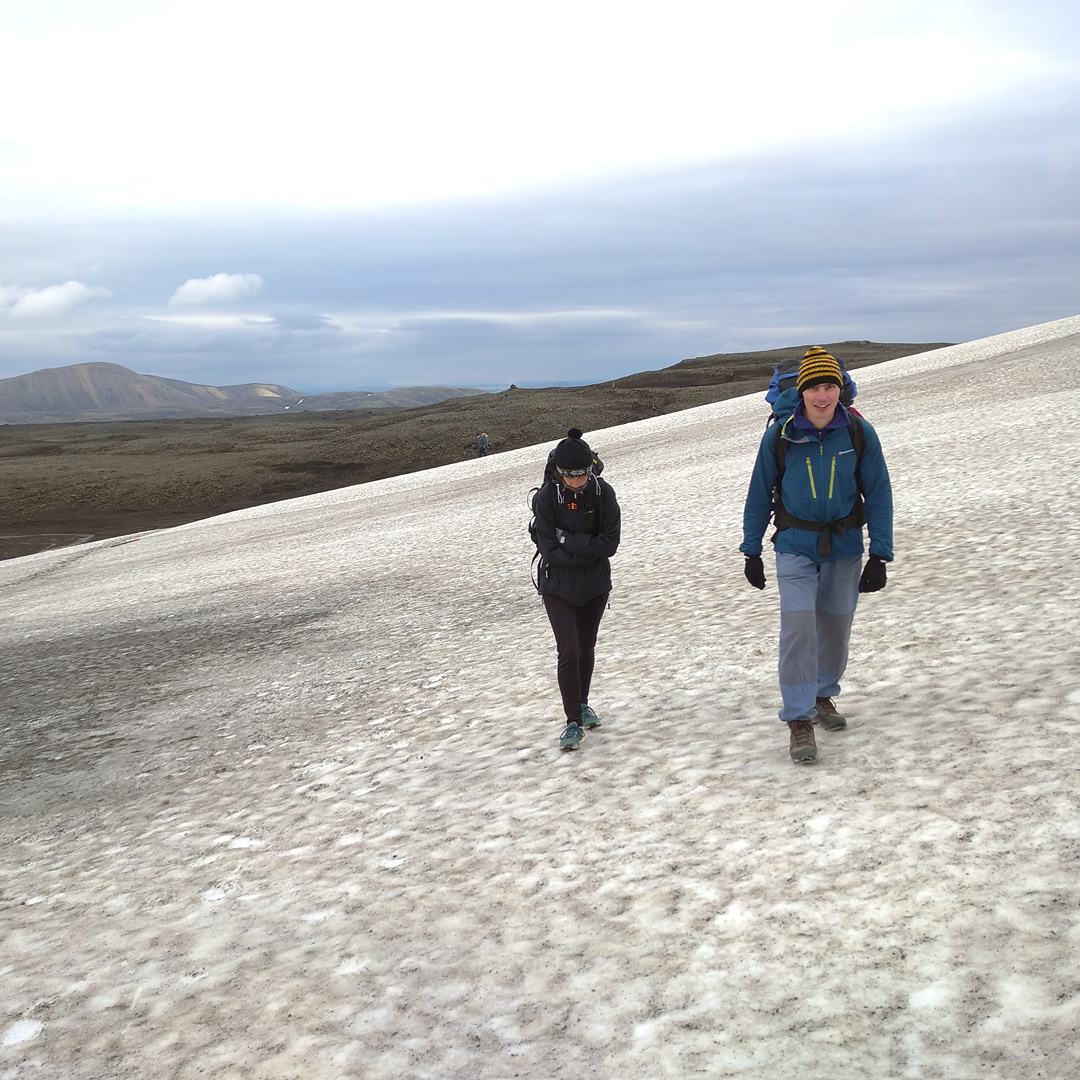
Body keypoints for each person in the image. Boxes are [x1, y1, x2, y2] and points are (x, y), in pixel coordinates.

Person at [740, 346, 893, 763]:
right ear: (803, 392)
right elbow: (758, 494)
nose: (822, 396)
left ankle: (824, 694)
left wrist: (880, 553)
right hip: (794, 545)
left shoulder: (860, 433)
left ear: (840, 390)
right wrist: (751, 549)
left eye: (829, 386)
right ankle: (799, 718)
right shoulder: (780, 435)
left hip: (844, 546)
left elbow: (878, 492)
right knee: (799, 627)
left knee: (836, 629)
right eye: (813, 388)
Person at [531, 428, 621, 750]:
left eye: (582, 475)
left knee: (586, 648)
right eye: (570, 476)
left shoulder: (603, 493)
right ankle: (572, 721)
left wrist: (568, 539)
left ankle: (582, 704)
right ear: (559, 473)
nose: (577, 482)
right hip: (557, 588)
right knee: (568, 651)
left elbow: (610, 544)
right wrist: (588, 548)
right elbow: (549, 550)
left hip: (595, 586)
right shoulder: (545, 499)